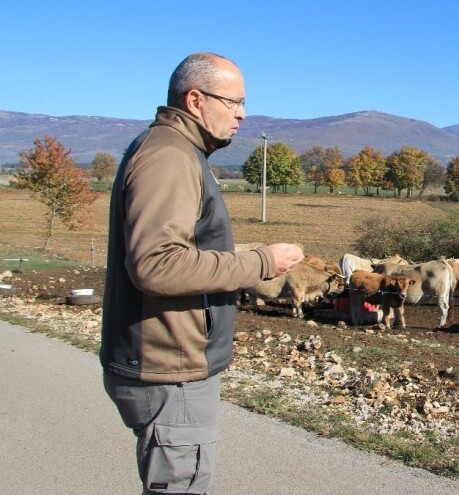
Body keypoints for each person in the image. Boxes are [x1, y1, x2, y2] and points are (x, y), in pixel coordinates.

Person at [100, 52, 303, 495]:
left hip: (168, 359)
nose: (242, 114)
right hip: (169, 366)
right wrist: (261, 262)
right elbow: (157, 265)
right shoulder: (170, 156)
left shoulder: (176, 150)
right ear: (195, 100)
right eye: (234, 102)